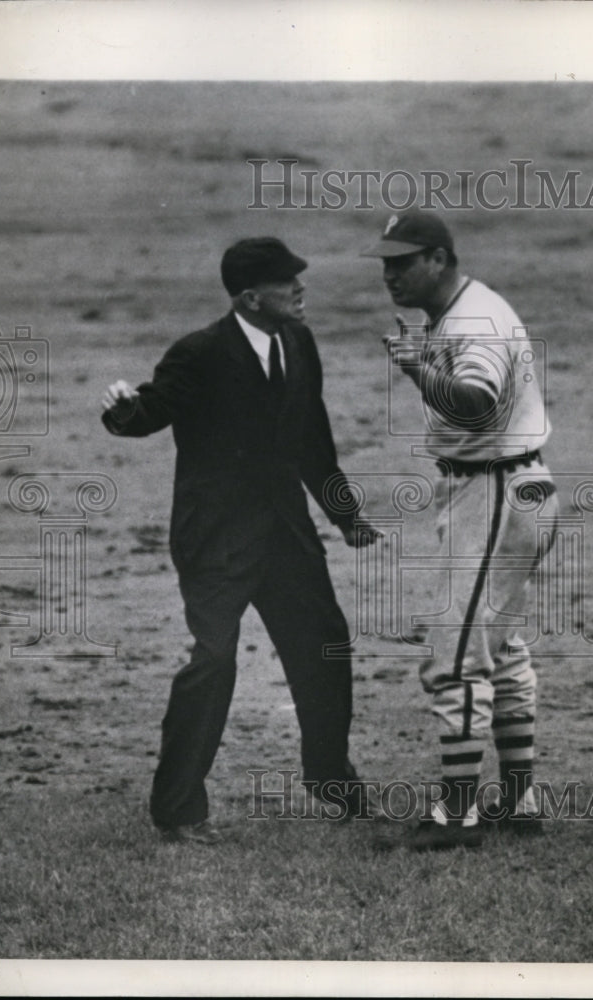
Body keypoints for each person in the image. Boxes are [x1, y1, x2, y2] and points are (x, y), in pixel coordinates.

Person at [101, 236, 381, 844]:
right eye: (289, 282)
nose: (302, 289)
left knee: (325, 644)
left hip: (285, 534)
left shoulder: (299, 343)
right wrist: (121, 410)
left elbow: (313, 438)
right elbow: (148, 412)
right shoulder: (199, 353)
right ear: (252, 298)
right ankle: (177, 809)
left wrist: (347, 517)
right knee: (215, 662)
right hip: (217, 542)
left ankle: (330, 781)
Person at [361, 209, 558, 850]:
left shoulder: (473, 322)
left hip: (496, 492)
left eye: (404, 261)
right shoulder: (459, 312)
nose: (390, 274)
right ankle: (521, 798)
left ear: (439, 259)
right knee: (498, 648)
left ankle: (459, 813)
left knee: (454, 655)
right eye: (386, 263)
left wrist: (419, 370)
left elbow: (475, 407)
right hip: (509, 488)